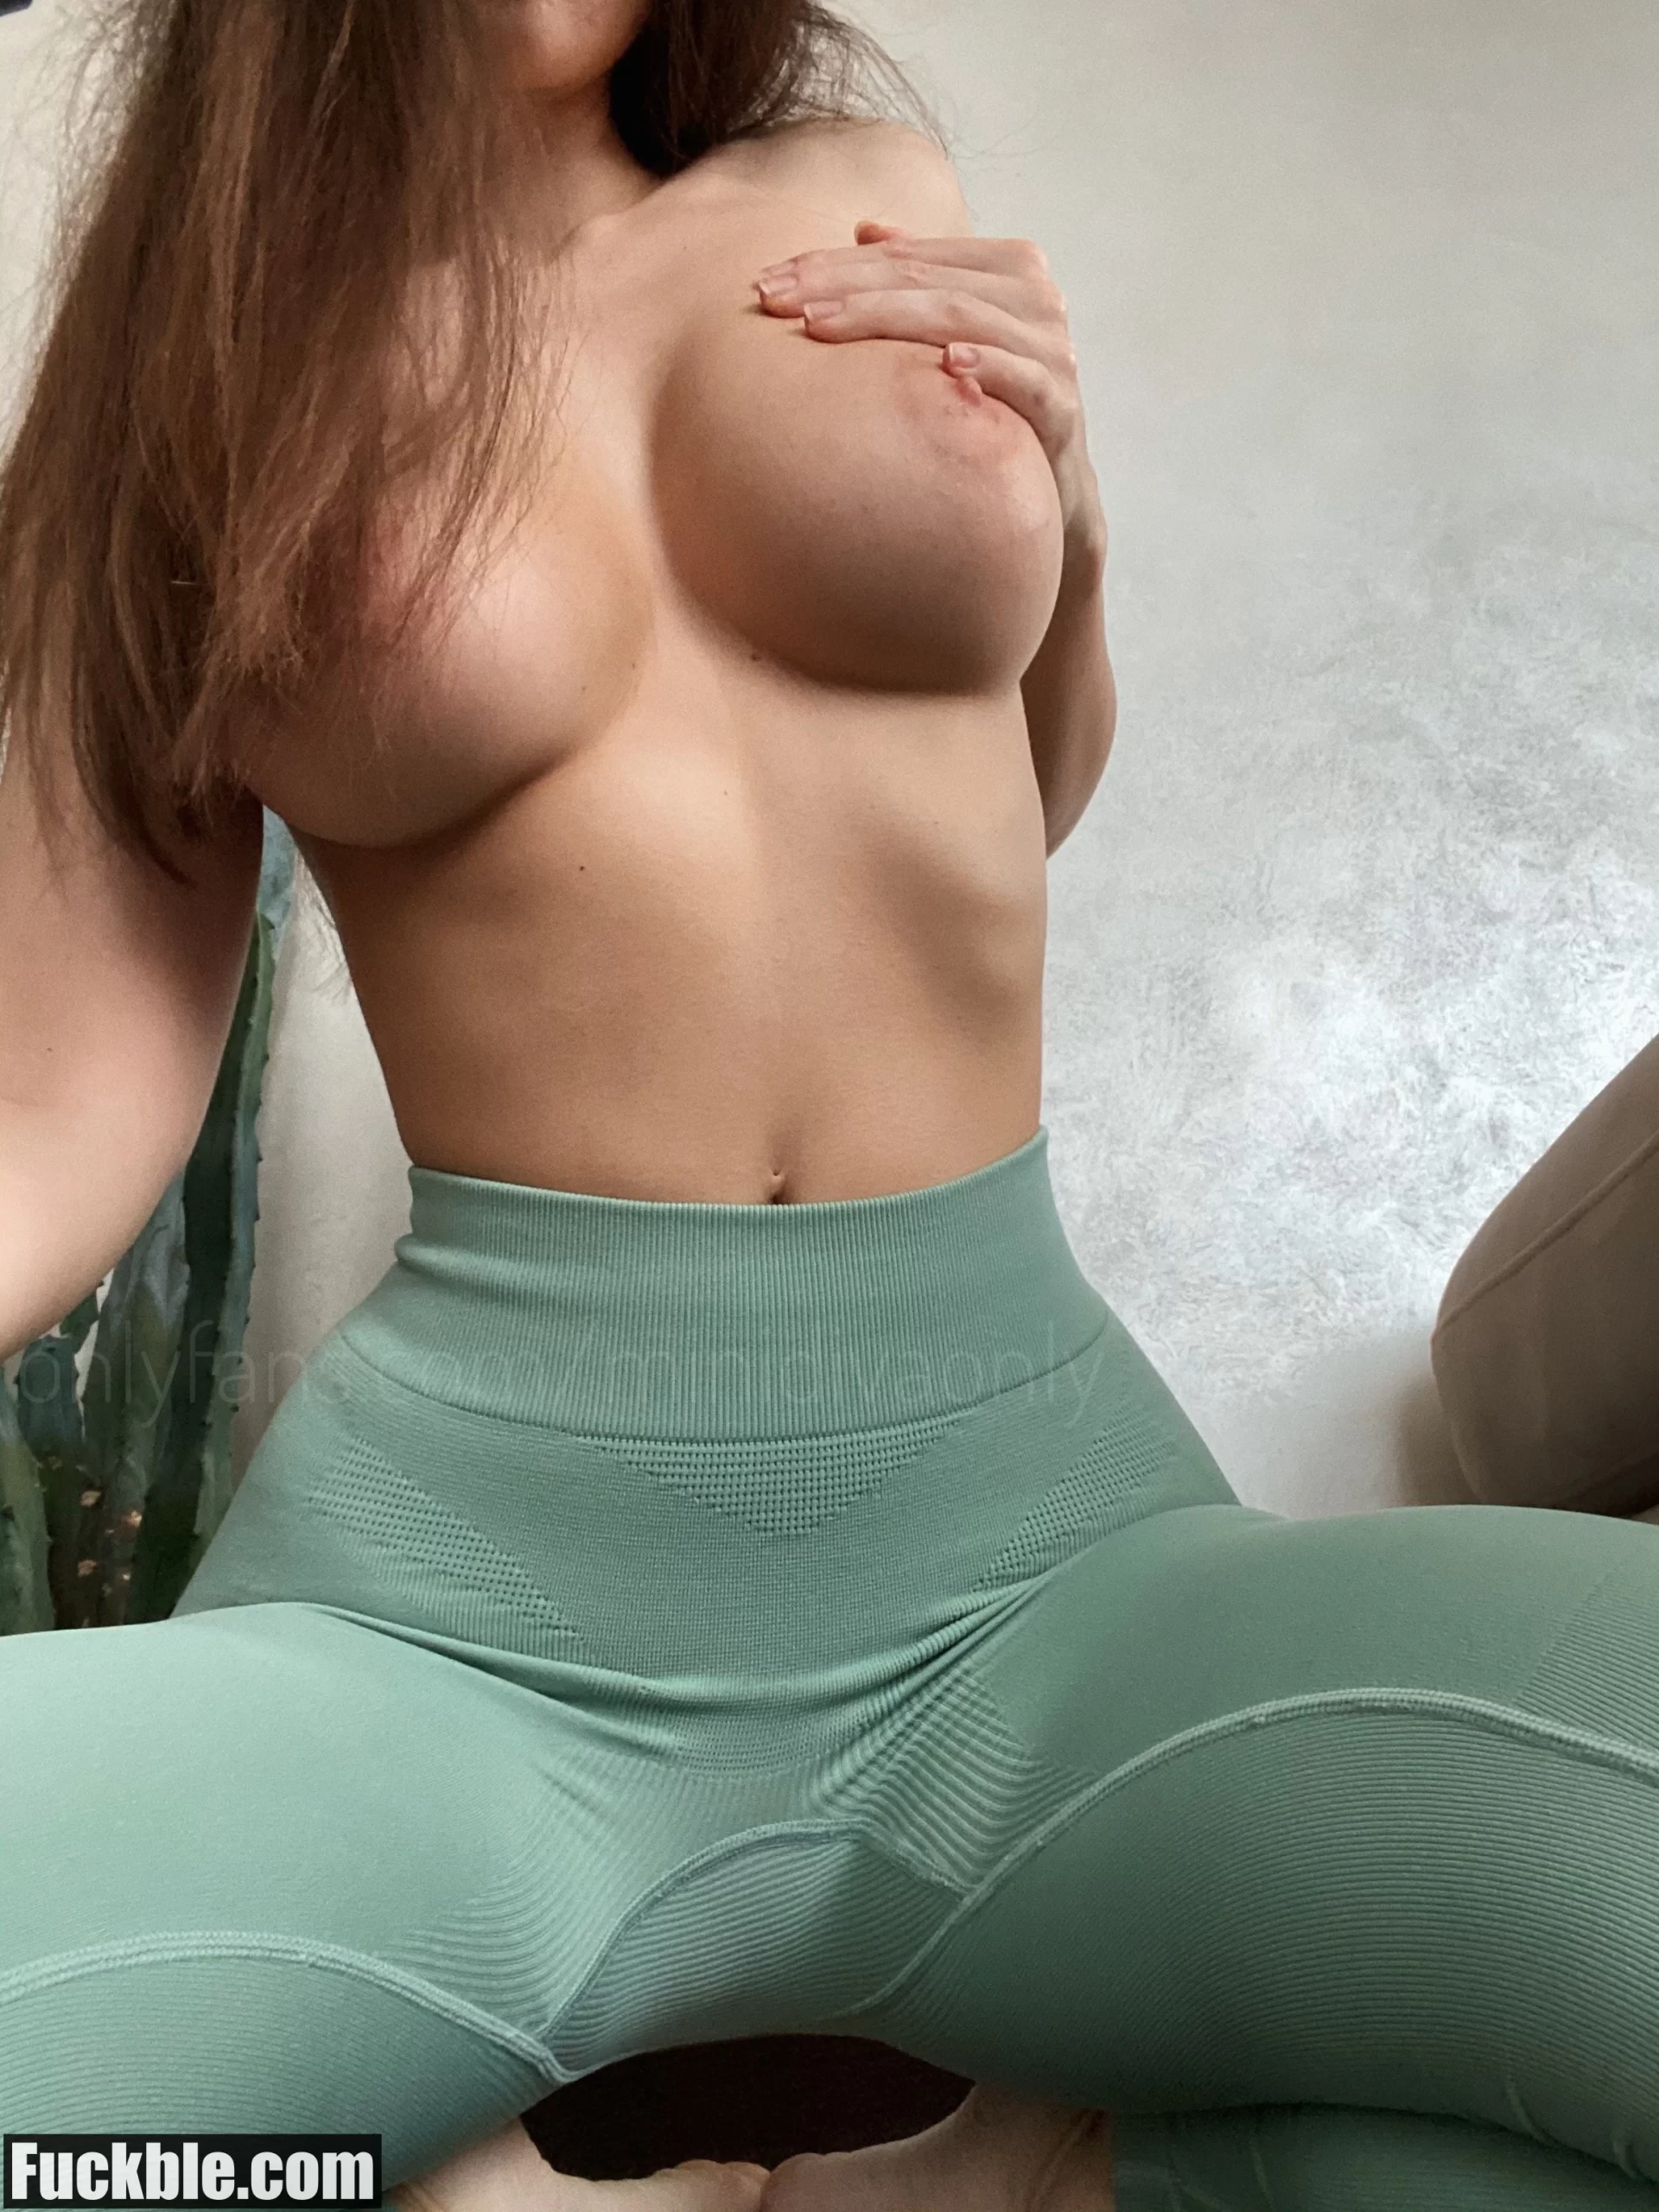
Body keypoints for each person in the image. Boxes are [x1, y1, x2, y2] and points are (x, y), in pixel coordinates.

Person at [1, 2, 1656, 2208]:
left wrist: (1069, 518)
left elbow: (1007, 791)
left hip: (1041, 1566)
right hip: (459, 1617)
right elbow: (50, 1114)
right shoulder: (181, 389)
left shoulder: (851, 187)